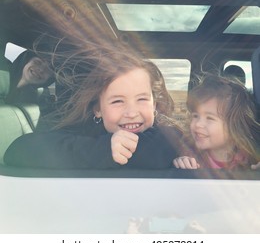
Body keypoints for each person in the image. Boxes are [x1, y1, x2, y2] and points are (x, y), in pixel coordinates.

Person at [4, 47, 184, 169]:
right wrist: (105, 149)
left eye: (142, 99)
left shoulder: (169, 137)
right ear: (97, 109)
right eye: (117, 101)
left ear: (154, 104)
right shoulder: (85, 134)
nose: (131, 113)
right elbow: (17, 151)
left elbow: (157, 150)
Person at [173, 75, 260, 170]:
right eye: (195, 116)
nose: (198, 124)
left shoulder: (250, 159)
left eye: (209, 118)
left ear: (234, 125)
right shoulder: (191, 156)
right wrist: (181, 162)